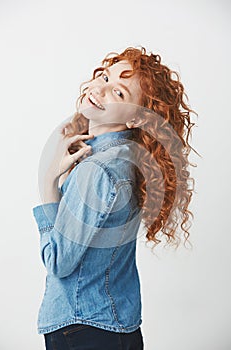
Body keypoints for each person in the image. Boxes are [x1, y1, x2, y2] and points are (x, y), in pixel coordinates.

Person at [32, 46, 197, 350]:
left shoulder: (98, 168)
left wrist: (47, 183)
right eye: (105, 76)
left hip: (82, 329)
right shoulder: (127, 160)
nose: (100, 88)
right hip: (112, 327)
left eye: (119, 93)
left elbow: (58, 262)